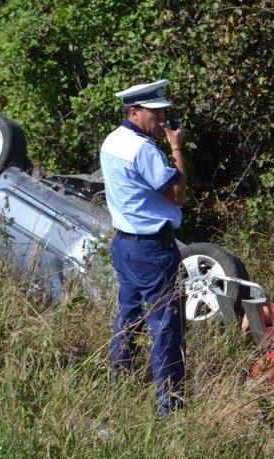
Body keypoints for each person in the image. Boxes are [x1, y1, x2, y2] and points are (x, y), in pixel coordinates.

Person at [100, 79, 187, 415]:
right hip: (153, 250)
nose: (162, 118)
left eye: (163, 111)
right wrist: (176, 147)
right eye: (156, 112)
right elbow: (178, 195)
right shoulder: (144, 149)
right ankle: (170, 410)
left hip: (124, 245)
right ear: (134, 112)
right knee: (166, 326)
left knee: (128, 318)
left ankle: (118, 389)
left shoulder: (112, 141)